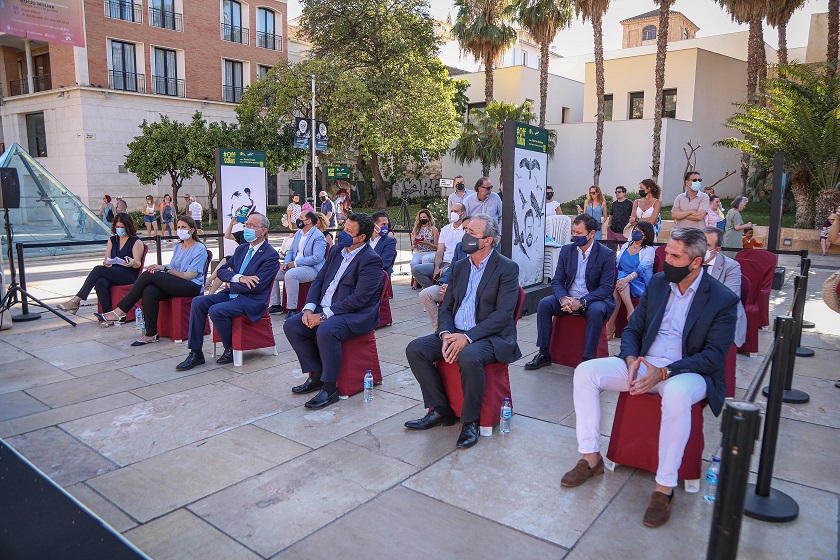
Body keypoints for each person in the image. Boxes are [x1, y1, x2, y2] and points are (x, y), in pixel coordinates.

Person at [562, 228, 738, 528]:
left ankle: (664, 488)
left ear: (695, 262)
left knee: (677, 395)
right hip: (643, 362)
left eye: (674, 256)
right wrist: (630, 358)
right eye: (666, 252)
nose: (665, 259)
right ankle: (591, 457)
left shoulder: (722, 299)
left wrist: (666, 371)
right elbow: (633, 328)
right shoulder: (659, 283)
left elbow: (714, 354)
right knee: (585, 373)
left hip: (688, 371)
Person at [404, 215, 521, 449]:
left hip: (489, 336)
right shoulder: (459, 266)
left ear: (487, 240)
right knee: (416, 349)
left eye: (471, 232)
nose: (464, 236)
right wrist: (445, 333)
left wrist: (467, 337)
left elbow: (503, 315)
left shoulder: (507, 268)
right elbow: (446, 306)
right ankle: (440, 410)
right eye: (465, 230)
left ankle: (470, 422)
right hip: (455, 331)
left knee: (468, 357)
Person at [284, 213, 384, 410]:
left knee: (327, 329)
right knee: (292, 325)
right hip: (325, 308)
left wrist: (322, 316)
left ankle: (330, 389)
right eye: (343, 228)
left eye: (348, 231)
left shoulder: (371, 260)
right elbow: (319, 280)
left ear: (362, 237)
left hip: (355, 314)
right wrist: (308, 309)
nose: (342, 234)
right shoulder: (337, 250)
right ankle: (316, 375)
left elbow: (359, 299)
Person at [176, 214, 279, 371]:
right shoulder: (242, 248)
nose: (246, 228)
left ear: (263, 231)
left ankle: (230, 348)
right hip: (233, 292)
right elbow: (222, 271)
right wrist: (238, 278)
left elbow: (257, 285)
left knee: (216, 310)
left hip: (251, 299)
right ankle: (196, 353)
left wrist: (234, 281)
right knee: (198, 301)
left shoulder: (270, 254)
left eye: (251, 226)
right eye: (246, 225)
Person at [95, 217, 207, 343]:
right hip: (176, 281)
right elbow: (173, 267)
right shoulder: (178, 247)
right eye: (179, 227)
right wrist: (161, 267)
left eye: (184, 227)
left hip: (191, 285)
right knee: (149, 290)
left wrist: (166, 271)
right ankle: (151, 333)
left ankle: (119, 311)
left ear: (192, 230)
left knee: (149, 275)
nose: (180, 230)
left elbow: (189, 275)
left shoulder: (199, 248)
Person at [525, 214, 616, 369]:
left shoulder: (606, 254)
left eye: (579, 233)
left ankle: (587, 360)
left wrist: (581, 302)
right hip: (568, 297)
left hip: (593, 299)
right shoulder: (567, 250)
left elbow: (606, 288)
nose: (575, 236)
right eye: (574, 232)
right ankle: (544, 353)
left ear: (592, 233)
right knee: (544, 305)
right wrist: (563, 299)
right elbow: (558, 280)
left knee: (595, 313)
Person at [57, 213, 145, 321]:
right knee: (100, 282)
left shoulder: (136, 241)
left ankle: (76, 300)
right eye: (117, 227)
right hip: (113, 272)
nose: (119, 229)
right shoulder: (113, 240)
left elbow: (138, 263)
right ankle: (107, 316)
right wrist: (106, 263)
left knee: (98, 269)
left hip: (128, 274)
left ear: (128, 226)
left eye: (122, 227)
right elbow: (107, 259)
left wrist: (131, 262)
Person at [268, 211, 327, 317]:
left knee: (291, 275)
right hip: (295, 265)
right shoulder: (298, 233)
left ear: (308, 221)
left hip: (312, 268)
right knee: (273, 273)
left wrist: (295, 263)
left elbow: (317, 258)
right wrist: (286, 263)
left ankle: (292, 309)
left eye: (301, 217)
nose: (298, 219)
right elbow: (291, 251)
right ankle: (276, 305)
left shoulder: (319, 236)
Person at [605, 221, 655, 339]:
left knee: (620, 281)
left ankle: (610, 326)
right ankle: (630, 310)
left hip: (638, 282)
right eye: (635, 230)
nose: (636, 232)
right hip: (622, 280)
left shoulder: (649, 250)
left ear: (646, 235)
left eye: (640, 231)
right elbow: (618, 265)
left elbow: (641, 269)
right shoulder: (625, 246)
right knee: (618, 282)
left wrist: (626, 279)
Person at [703, 227, 747, 348]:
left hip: (722, 319)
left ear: (717, 249)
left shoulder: (731, 266)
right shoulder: (688, 262)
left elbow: (728, 299)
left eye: (706, 245)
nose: (701, 249)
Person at [411, 203, 465, 289]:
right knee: (416, 269)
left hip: (455, 265)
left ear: (463, 213)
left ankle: (438, 293)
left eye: (456, 211)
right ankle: (432, 290)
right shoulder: (445, 229)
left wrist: (447, 267)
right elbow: (439, 251)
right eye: (451, 211)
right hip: (443, 263)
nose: (453, 213)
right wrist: (436, 267)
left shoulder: (466, 230)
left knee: (447, 272)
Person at [418, 241, 468, 331]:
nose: (467, 233)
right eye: (466, 229)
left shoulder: (487, 248)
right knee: (425, 294)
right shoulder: (460, 246)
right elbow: (452, 268)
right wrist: (446, 284)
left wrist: (452, 287)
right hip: (452, 284)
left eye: (471, 231)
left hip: (464, 288)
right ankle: (440, 329)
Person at [205, 215, 250, 295]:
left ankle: (210, 280)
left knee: (226, 261)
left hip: (247, 261)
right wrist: (231, 224)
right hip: (239, 260)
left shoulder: (258, 236)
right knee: (223, 269)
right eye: (245, 224)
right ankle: (210, 293)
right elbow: (227, 236)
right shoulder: (243, 234)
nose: (246, 226)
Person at [410, 209, 439, 275]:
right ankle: (416, 280)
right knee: (413, 263)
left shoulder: (434, 229)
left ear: (428, 218)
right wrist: (415, 243)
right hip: (420, 252)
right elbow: (413, 247)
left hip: (431, 252)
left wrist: (427, 243)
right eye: (421, 218)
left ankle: (423, 279)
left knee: (425, 259)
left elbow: (437, 247)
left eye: (424, 217)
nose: (422, 219)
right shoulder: (416, 230)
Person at [369, 211, 397, 276]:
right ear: (374, 225)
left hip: (379, 276)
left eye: (387, 224)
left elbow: (384, 263)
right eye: (383, 224)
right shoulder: (365, 239)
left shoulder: (389, 241)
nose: (386, 227)